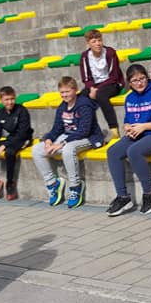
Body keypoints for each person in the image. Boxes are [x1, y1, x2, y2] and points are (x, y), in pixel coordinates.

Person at [106, 65, 151, 217]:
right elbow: (128, 118)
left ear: (147, 77)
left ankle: (149, 191)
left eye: (142, 79)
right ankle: (123, 197)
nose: (139, 83)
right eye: (135, 81)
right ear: (129, 83)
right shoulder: (130, 98)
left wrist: (143, 126)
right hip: (138, 135)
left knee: (134, 151)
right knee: (113, 152)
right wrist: (127, 126)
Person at [31, 76, 106, 209]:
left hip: (89, 137)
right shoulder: (62, 107)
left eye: (67, 91)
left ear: (75, 90)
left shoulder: (84, 105)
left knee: (68, 149)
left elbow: (84, 131)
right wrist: (48, 140)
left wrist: (62, 143)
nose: (64, 95)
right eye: (62, 92)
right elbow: (56, 129)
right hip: (68, 137)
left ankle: (75, 186)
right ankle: (53, 184)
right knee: (36, 149)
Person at [79, 29, 124, 137]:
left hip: (112, 83)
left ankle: (113, 128)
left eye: (99, 40)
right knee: (80, 97)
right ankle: (84, 128)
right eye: (94, 41)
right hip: (95, 85)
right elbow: (86, 77)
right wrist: (91, 88)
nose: (98, 44)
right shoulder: (85, 56)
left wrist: (96, 90)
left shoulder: (110, 52)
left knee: (101, 95)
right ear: (88, 43)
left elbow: (114, 76)